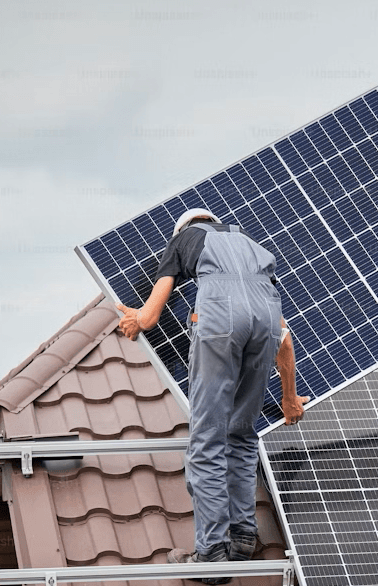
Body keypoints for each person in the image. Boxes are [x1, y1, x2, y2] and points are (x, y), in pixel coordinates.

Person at [115, 208, 308, 576]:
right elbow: (283, 337)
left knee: (207, 440)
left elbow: (151, 315)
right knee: (242, 434)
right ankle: (243, 537)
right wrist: (289, 399)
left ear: (186, 227)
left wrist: (135, 320)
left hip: (220, 321)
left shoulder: (184, 239)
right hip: (266, 322)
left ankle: (212, 556)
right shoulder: (253, 247)